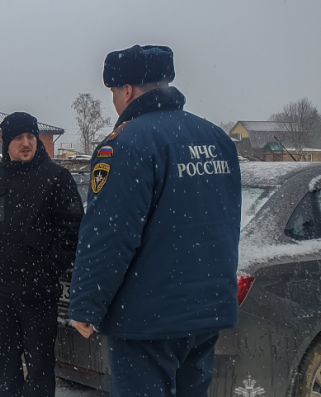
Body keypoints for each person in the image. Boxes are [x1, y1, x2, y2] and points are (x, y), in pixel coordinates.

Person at [68, 45, 242, 396]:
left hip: (147, 319)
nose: (115, 102)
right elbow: (225, 221)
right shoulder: (217, 139)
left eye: (114, 93)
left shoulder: (126, 143)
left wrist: (86, 305)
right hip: (206, 312)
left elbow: (109, 234)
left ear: (127, 90)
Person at [0, 112, 84, 397]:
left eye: (31, 136)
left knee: (41, 364)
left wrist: (49, 267)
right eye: (19, 137)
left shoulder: (56, 178)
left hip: (38, 291)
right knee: (5, 363)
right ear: (6, 142)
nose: (26, 142)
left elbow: (72, 230)